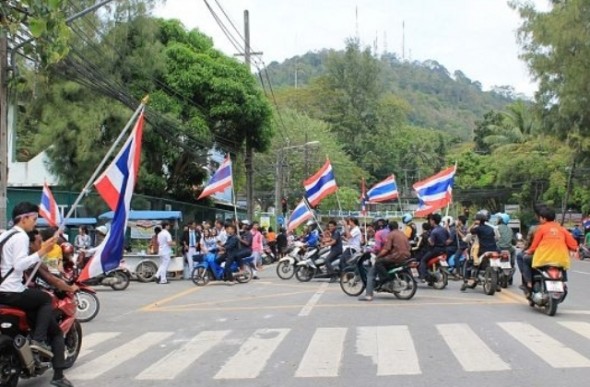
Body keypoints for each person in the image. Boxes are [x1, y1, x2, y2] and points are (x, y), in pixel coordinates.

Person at [0, 202, 74, 387]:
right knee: (45, 302)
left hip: (2, 292)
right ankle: (42, 346)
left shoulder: (5, 235)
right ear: (23, 219)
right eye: (33, 219)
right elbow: (19, 265)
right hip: (13, 292)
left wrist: (43, 249)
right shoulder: (21, 237)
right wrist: (41, 252)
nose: (35, 223)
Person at [521, 205, 577, 294]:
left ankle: (529, 283)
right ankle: (563, 283)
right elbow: (573, 244)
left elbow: (535, 245)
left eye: (540, 218)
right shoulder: (562, 229)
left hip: (543, 259)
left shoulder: (541, 228)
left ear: (543, 219)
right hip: (560, 260)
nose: (539, 220)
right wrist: (573, 249)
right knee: (562, 266)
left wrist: (529, 251)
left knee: (525, 259)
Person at [359, 221, 411, 301]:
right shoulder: (403, 234)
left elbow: (386, 249)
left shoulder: (390, 234)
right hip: (407, 256)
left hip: (396, 256)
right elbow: (409, 246)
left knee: (378, 263)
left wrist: (378, 256)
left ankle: (384, 280)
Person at [461, 210, 499, 291]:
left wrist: (474, 224)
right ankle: (497, 283)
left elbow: (469, 232)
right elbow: (496, 238)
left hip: (483, 249)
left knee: (473, 261)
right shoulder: (492, 228)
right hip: (494, 249)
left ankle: (471, 278)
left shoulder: (477, 228)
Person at [418, 214, 449, 282]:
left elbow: (431, 243)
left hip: (435, 250)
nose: (430, 221)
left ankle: (423, 276)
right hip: (444, 250)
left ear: (433, 221)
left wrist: (429, 239)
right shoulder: (444, 229)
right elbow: (448, 240)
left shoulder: (434, 231)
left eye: (431, 220)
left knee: (423, 260)